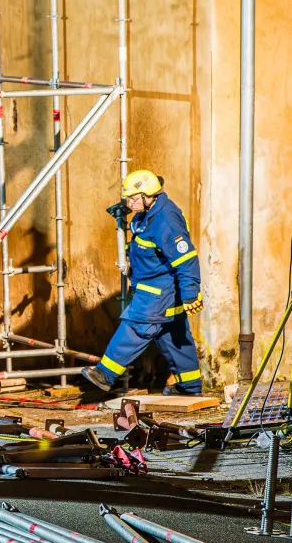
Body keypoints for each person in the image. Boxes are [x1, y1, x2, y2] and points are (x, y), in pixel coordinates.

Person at [81, 169, 204, 395]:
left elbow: (186, 258)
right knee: (173, 335)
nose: (130, 202)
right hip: (157, 288)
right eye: (128, 198)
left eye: (134, 198)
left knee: (136, 326)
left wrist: (190, 293)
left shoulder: (165, 219)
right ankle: (190, 386)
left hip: (159, 291)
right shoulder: (146, 215)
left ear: (149, 195)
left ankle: (105, 374)